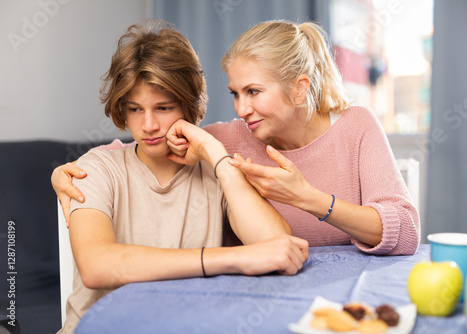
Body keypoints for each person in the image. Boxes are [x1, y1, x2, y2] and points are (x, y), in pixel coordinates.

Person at [53, 20, 419, 258]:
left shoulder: (356, 127)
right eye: (235, 94)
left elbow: (406, 233)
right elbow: (149, 143)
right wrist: (69, 171)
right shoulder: (232, 139)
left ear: (299, 88)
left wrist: (307, 197)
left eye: (254, 91)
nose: (242, 108)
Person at [56, 20, 309, 334]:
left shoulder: (215, 172)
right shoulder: (95, 168)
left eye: (163, 108)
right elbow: (97, 267)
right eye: (135, 109)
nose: (148, 125)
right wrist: (230, 259)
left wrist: (216, 156)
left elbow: (277, 247)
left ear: (190, 106)